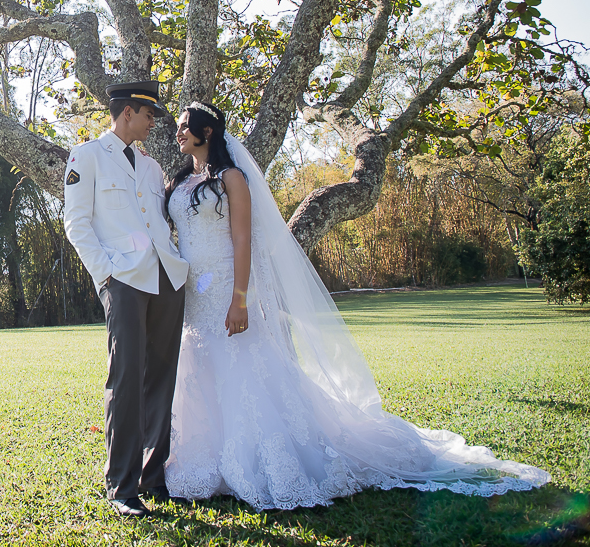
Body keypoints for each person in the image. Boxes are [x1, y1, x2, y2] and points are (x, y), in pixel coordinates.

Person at [163, 101, 550, 510]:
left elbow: (244, 241)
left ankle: (256, 462)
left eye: (187, 126)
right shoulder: (182, 181)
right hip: (192, 295)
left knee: (242, 369)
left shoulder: (232, 178)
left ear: (208, 133)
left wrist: (240, 299)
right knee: (199, 369)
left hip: (226, 288)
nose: (179, 132)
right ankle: (203, 458)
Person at [63, 81, 192, 517]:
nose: (154, 122)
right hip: (125, 280)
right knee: (125, 380)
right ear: (126, 114)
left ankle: (153, 478)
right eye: (148, 114)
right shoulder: (87, 156)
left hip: (167, 279)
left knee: (161, 378)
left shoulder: (152, 167)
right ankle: (121, 486)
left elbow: (157, 221)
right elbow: (77, 224)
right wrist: (107, 277)